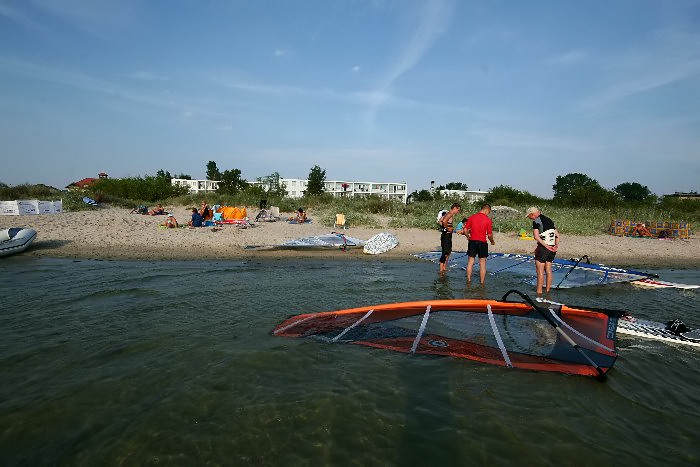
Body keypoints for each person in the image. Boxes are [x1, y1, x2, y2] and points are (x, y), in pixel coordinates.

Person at [526, 207, 560, 295]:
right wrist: (555, 246)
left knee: (540, 271)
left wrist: (546, 246)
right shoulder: (549, 220)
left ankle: (539, 293)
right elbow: (557, 235)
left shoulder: (536, 221)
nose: (529, 218)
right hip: (552, 249)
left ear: (532, 214)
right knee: (548, 270)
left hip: (544, 248)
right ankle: (548, 292)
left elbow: (536, 237)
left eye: (529, 216)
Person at [464, 203, 496, 285]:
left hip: (472, 241)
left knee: (470, 262)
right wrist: (492, 241)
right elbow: (489, 235)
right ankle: (482, 283)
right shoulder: (488, 220)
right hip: (482, 242)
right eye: (489, 212)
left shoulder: (472, 217)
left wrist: (468, 237)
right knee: (482, 264)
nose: (488, 213)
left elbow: (465, 229)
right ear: (487, 209)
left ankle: (468, 281)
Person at [438, 203, 461, 273]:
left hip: (447, 235)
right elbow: (444, 221)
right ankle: (441, 270)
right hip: (446, 236)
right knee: (445, 252)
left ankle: (444, 266)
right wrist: (447, 228)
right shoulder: (450, 214)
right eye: (458, 210)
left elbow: (440, 221)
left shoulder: (448, 214)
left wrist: (444, 228)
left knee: (449, 251)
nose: (458, 212)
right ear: (455, 208)